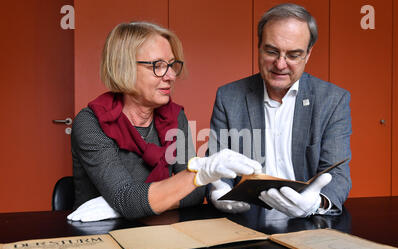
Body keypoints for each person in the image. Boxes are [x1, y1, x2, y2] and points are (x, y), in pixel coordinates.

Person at [68, 22, 261, 222]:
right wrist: (129, 204)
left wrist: (127, 206)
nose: (171, 76)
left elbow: (194, 194)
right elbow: (127, 199)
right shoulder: (91, 123)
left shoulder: (175, 116)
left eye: (171, 65)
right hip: (100, 233)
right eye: (158, 66)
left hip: (159, 228)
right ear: (123, 67)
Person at [208, 3, 352, 218]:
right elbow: (216, 166)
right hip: (245, 219)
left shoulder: (333, 100)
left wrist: (316, 203)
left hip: (310, 223)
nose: (280, 64)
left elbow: (337, 174)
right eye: (272, 51)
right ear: (259, 47)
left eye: (293, 55)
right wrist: (219, 191)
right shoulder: (229, 97)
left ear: (308, 54)